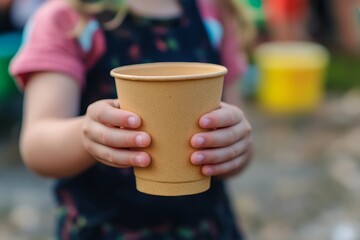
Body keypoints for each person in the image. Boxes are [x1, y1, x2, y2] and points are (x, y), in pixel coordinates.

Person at [10, 0, 253, 239]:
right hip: (103, 228)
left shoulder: (212, 12)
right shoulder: (67, 19)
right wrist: (87, 134)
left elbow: (237, 136)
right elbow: (36, 146)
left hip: (206, 227)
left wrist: (234, 146)